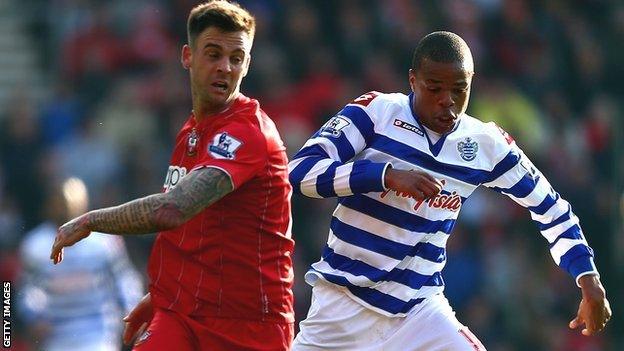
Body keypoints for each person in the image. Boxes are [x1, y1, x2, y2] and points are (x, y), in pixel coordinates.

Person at [288, 31, 611, 350]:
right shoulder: (377, 113)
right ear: (412, 80)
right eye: (434, 88)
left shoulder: (486, 144)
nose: (448, 100)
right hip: (343, 309)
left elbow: (550, 207)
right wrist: (385, 176)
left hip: (419, 312)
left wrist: (587, 276)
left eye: (459, 89)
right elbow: (299, 173)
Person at [50, 1, 295, 350]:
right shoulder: (192, 131)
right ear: (187, 56)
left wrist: (90, 221)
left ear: (247, 64)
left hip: (248, 326)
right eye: (213, 54)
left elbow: (172, 210)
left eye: (236, 58)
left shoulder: (247, 133)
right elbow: (191, 230)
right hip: (184, 315)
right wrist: (162, 295)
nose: (225, 67)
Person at [19, 177, 143, 351]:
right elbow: (26, 289)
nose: (65, 206)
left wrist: (130, 311)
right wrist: (33, 317)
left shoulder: (105, 241)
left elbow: (126, 279)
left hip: (100, 334)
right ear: (49, 205)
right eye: (60, 201)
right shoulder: (35, 244)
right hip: (56, 336)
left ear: (84, 202)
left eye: (71, 199)